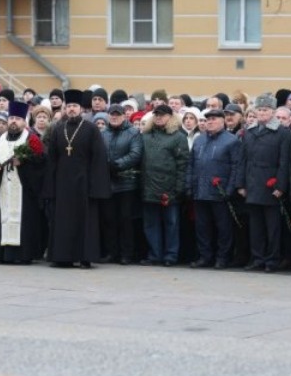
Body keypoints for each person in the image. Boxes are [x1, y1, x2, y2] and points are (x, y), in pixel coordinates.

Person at [43, 89, 111, 268]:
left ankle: (84, 257)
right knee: (63, 221)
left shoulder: (91, 129)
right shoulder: (58, 129)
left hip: (84, 184)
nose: (72, 109)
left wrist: (96, 187)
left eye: (75, 106)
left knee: (85, 221)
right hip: (62, 184)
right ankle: (62, 257)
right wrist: (50, 187)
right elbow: (52, 159)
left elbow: (99, 159)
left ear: (81, 109)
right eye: (69, 106)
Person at [0, 100, 47, 264]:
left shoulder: (31, 139)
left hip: (24, 189)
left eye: (18, 119)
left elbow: (41, 162)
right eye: (11, 118)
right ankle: (3, 254)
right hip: (3, 187)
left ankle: (23, 255)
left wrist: (24, 163)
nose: (13, 121)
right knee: (3, 218)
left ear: (24, 122)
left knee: (24, 220)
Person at [239, 93, 291, 273]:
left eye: (266, 110)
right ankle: (257, 258)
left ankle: (272, 260)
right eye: (259, 109)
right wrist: (241, 185)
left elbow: (285, 162)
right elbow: (243, 160)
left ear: (273, 112)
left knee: (273, 228)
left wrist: (280, 186)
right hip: (253, 184)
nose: (262, 113)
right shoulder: (249, 131)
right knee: (256, 227)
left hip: (270, 187)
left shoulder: (282, 133)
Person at [187, 108, 242, 269]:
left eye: (214, 119)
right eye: (208, 119)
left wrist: (230, 189)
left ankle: (222, 258)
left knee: (223, 228)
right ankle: (205, 257)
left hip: (220, 192)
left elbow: (236, 167)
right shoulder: (199, 140)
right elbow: (191, 165)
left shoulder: (232, 141)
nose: (210, 122)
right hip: (200, 191)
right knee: (202, 227)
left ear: (222, 121)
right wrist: (189, 186)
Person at [139, 104, 189, 267]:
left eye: (162, 115)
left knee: (171, 224)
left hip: (169, 189)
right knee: (151, 224)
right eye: (156, 115)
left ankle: (171, 255)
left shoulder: (178, 136)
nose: (159, 117)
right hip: (148, 187)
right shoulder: (145, 135)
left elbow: (183, 164)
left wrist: (179, 188)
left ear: (170, 117)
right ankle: (155, 255)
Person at [101, 103, 143, 265]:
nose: (114, 117)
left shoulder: (133, 133)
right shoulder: (103, 134)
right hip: (108, 183)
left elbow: (135, 154)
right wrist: (105, 166)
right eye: (112, 114)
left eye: (118, 114)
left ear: (124, 116)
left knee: (126, 220)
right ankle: (112, 252)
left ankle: (127, 253)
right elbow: (98, 153)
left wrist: (117, 165)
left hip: (127, 183)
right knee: (109, 219)